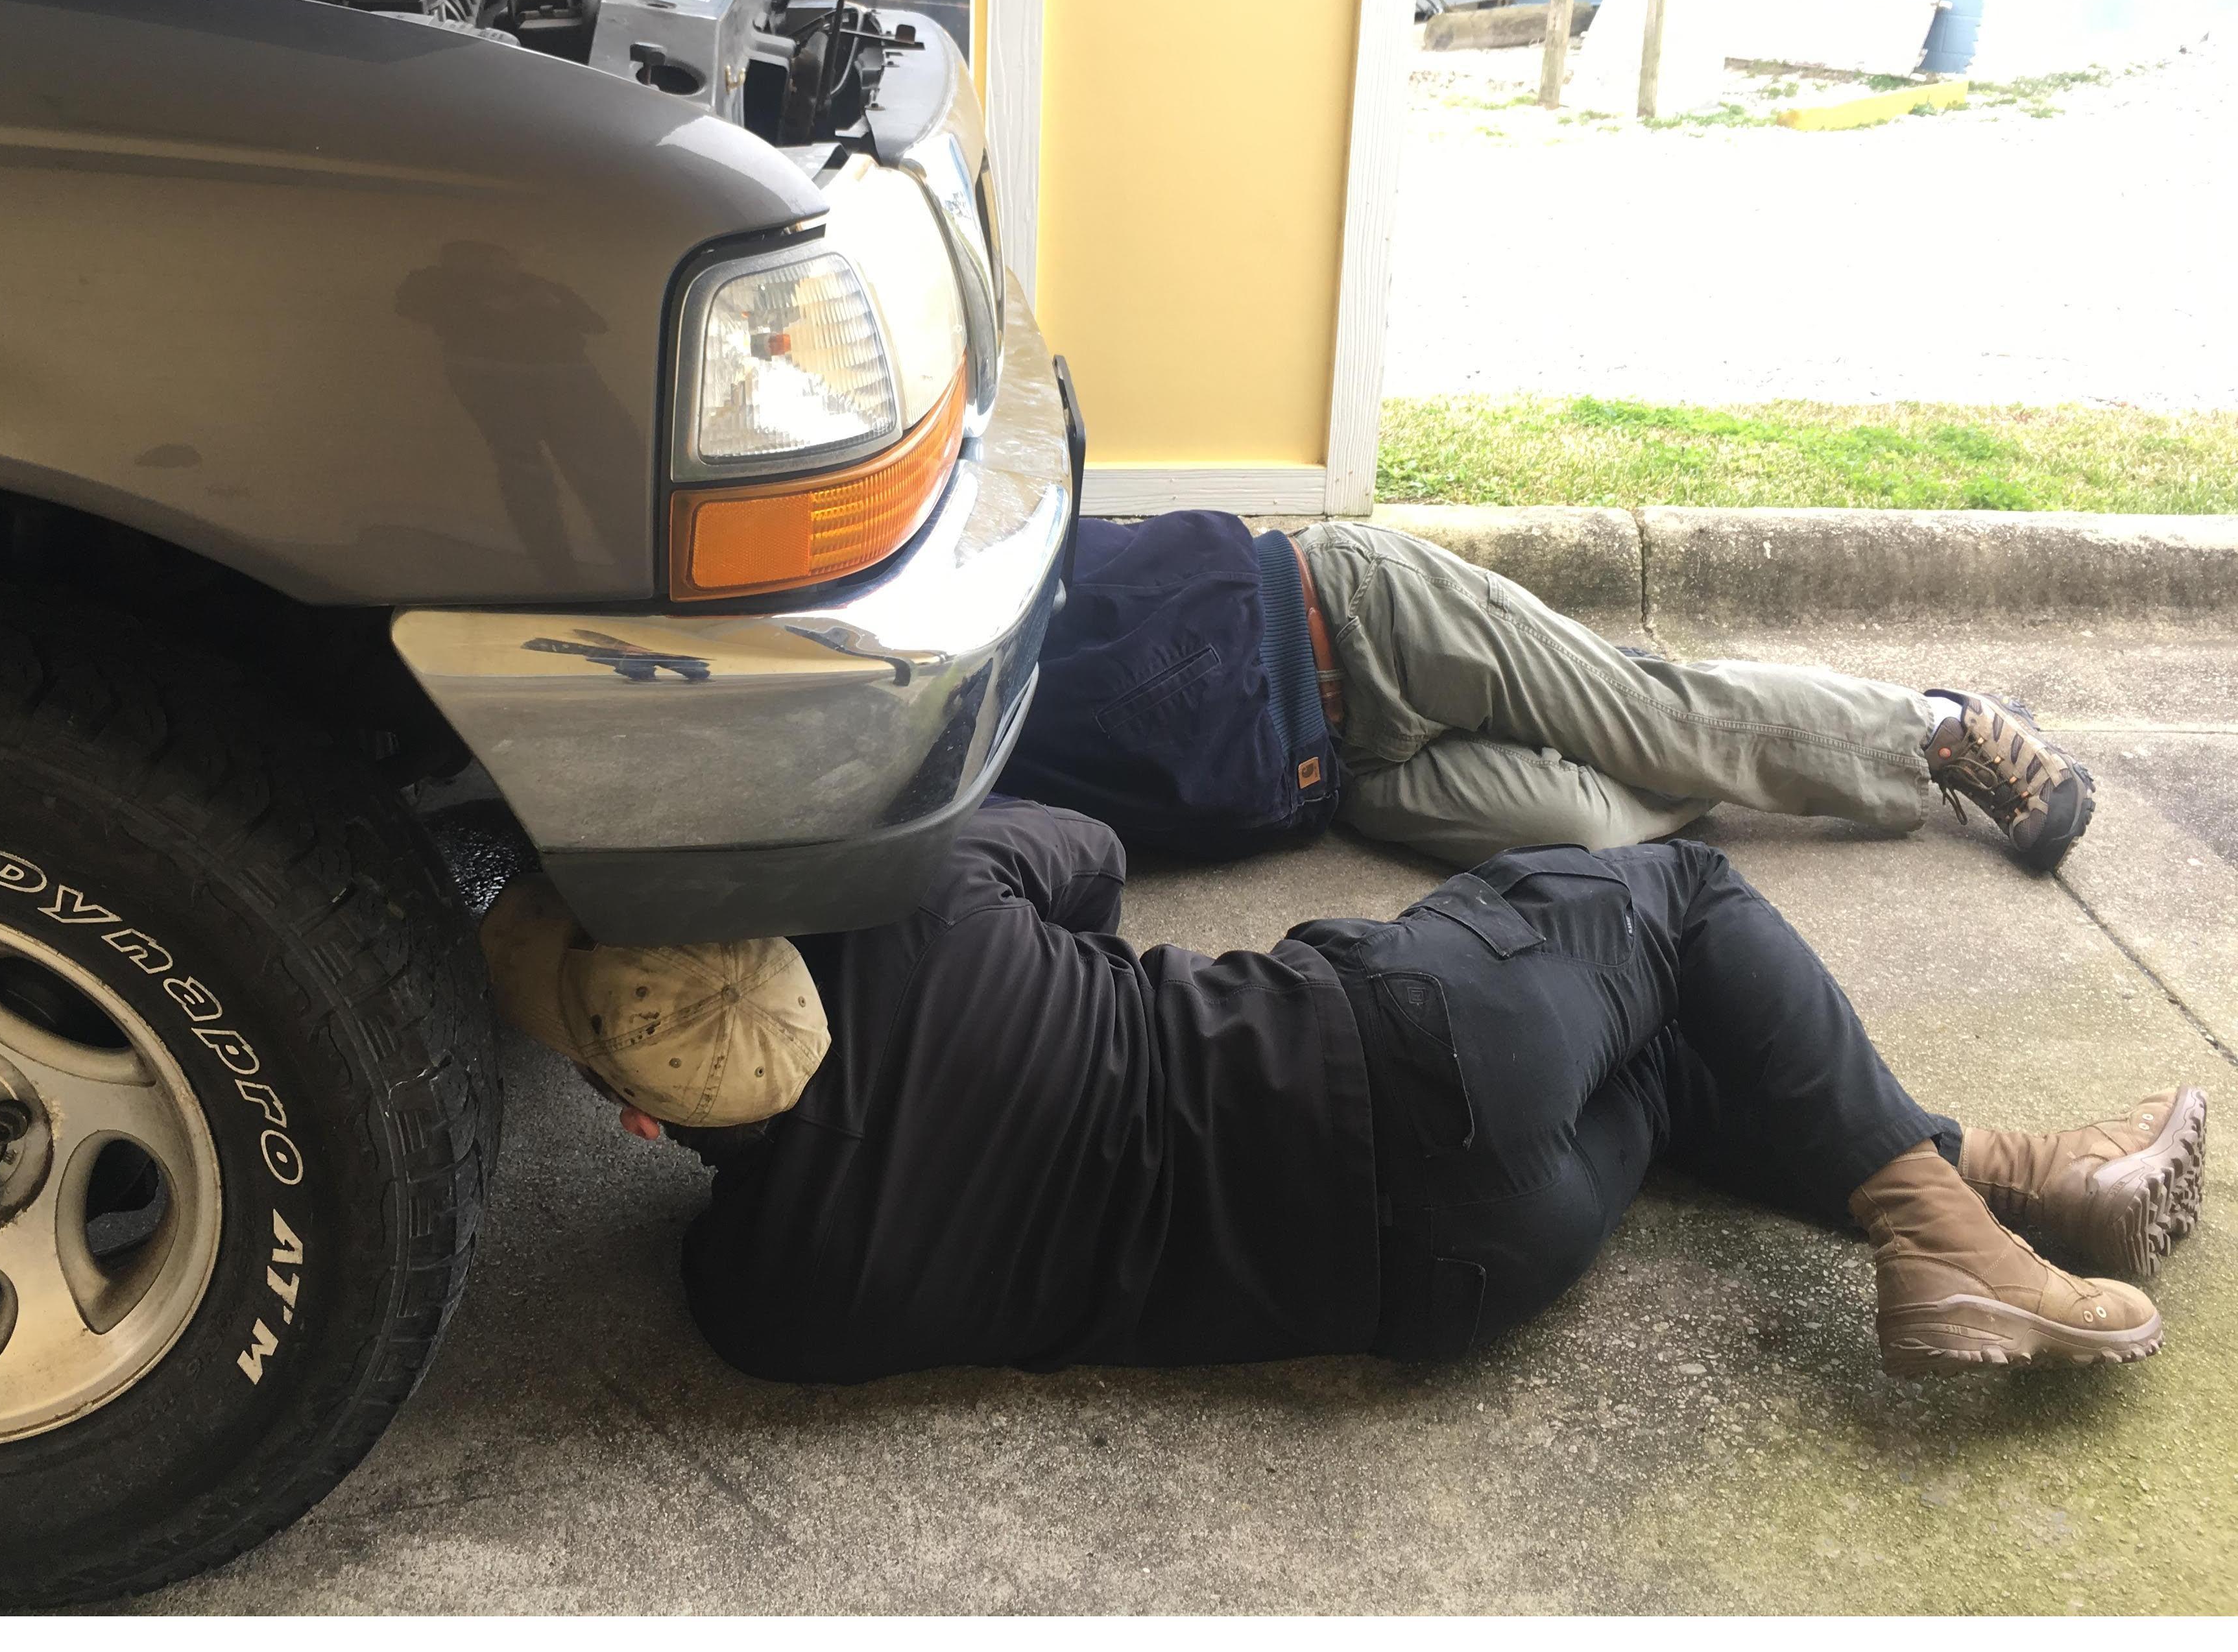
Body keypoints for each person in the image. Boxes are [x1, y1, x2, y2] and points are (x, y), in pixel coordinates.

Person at [478, 798, 2204, 1388]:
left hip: (1453, 1285)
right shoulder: (921, 918)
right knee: (1677, 904)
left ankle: (2022, 1176)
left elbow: (753, 1183)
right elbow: (1087, 858)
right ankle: (1943, 1227)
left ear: (632, 1114)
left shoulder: (764, 1300)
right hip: (1398, 1058)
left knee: (1668, 1071)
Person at [998, 511, 2097, 872]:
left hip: (1364, 618)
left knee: (1667, 726)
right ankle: (1663, 716)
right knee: (1591, 827)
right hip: (1339, 780)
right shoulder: (947, 792)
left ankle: (1943, 735)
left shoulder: (991, 582)